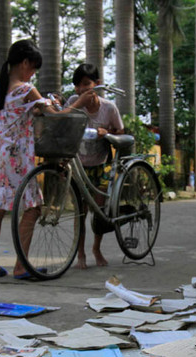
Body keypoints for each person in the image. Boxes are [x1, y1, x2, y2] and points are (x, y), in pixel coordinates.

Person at [0, 40, 94, 280]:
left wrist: (37, 107)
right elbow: (56, 117)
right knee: (33, 208)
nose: (33, 73)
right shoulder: (26, 89)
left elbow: (16, 113)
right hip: (17, 156)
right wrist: (79, 102)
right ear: (25, 63)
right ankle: (21, 266)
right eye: (33, 68)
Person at [65, 64, 124, 269]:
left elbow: (121, 131)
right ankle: (79, 254)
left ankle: (96, 248)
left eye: (86, 84)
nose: (81, 89)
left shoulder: (109, 108)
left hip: (100, 164)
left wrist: (105, 132)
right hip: (78, 166)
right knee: (79, 212)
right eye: (77, 85)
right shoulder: (73, 102)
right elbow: (62, 119)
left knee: (98, 210)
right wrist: (77, 103)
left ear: (97, 85)